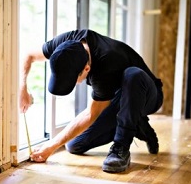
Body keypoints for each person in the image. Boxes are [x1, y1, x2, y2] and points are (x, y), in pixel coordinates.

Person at [19, 29, 163, 173]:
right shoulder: (66, 45)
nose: (75, 84)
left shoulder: (106, 64)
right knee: (74, 145)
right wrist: (22, 87)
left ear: (87, 68)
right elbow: (29, 54)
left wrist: (51, 146)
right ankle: (137, 124)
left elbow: (91, 114)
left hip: (147, 95)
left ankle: (121, 148)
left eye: (73, 81)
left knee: (133, 75)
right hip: (118, 98)